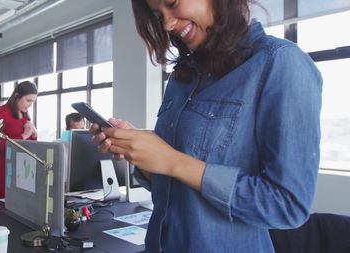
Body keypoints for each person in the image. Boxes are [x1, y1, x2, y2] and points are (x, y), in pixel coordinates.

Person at [90, 0, 322, 252]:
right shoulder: (184, 75)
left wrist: (172, 160)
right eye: (158, 16)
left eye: (172, 3)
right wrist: (137, 151)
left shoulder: (280, 63)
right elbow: (173, 188)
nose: (167, 24)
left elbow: (288, 206)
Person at [0, 81, 38, 199]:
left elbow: (30, 146)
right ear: (17, 96)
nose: (31, 105)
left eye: (33, 101)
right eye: (28, 100)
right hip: (6, 171)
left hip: (24, 172)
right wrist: (24, 136)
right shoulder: (1, 112)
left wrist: (34, 135)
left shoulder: (25, 115)